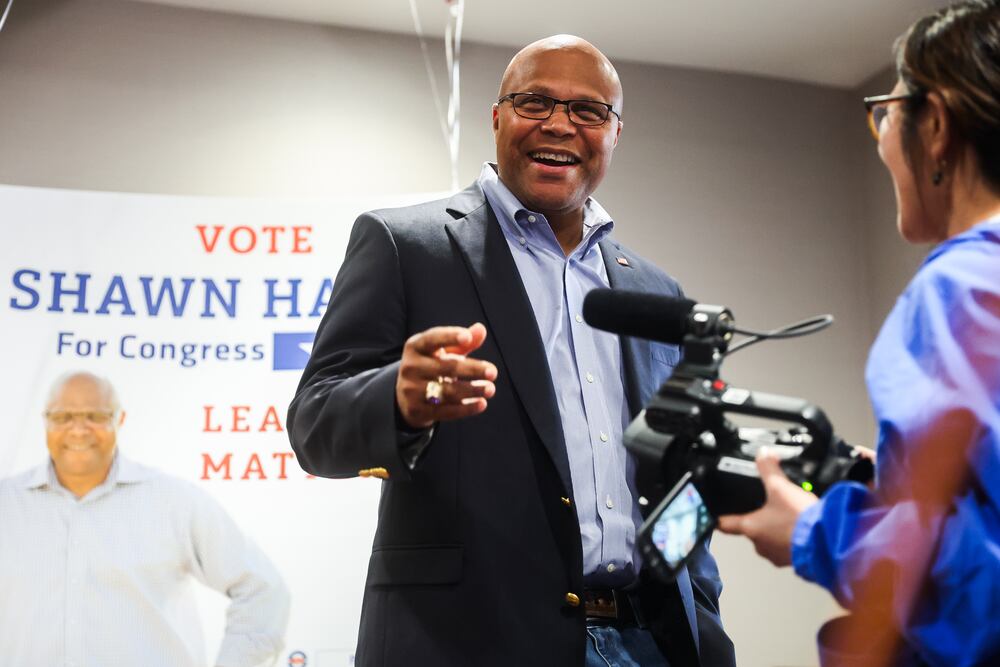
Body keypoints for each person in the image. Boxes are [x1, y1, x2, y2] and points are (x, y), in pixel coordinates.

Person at [288, 35, 735, 667]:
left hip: (651, 643)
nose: (559, 123)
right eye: (535, 102)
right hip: (471, 641)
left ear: (614, 133)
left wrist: (706, 623)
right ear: (497, 116)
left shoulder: (656, 293)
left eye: (588, 111)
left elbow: (682, 486)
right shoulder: (405, 245)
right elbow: (314, 424)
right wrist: (399, 400)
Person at [717, 2, 1000, 665]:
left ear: (936, 126)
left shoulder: (961, 288)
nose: (880, 137)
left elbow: (979, 583)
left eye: (888, 111)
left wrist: (814, 532)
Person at [0, 371, 291, 667]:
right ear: (46, 421)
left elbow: (262, 590)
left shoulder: (174, 502)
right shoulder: (6, 506)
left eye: (95, 416)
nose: (78, 430)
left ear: (119, 419)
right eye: (63, 417)